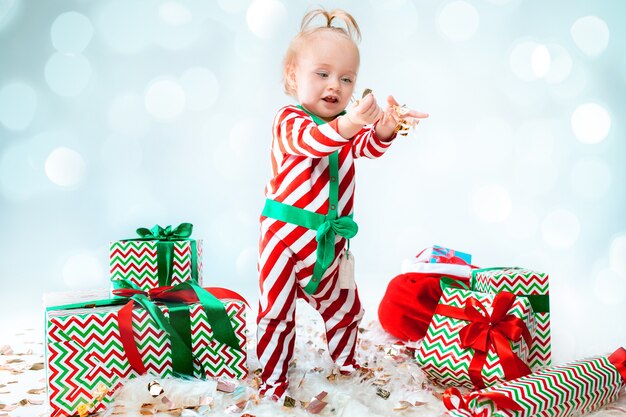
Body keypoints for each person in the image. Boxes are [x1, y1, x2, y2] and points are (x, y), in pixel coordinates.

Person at [256, 8, 428, 399]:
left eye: (347, 78)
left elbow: (366, 146)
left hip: (329, 244)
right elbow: (315, 142)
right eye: (323, 73)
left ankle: (347, 365)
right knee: (276, 313)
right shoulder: (290, 121)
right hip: (284, 241)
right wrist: (351, 123)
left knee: (345, 308)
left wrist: (385, 126)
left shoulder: (343, 128)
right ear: (292, 76)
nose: (335, 85)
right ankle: (272, 380)